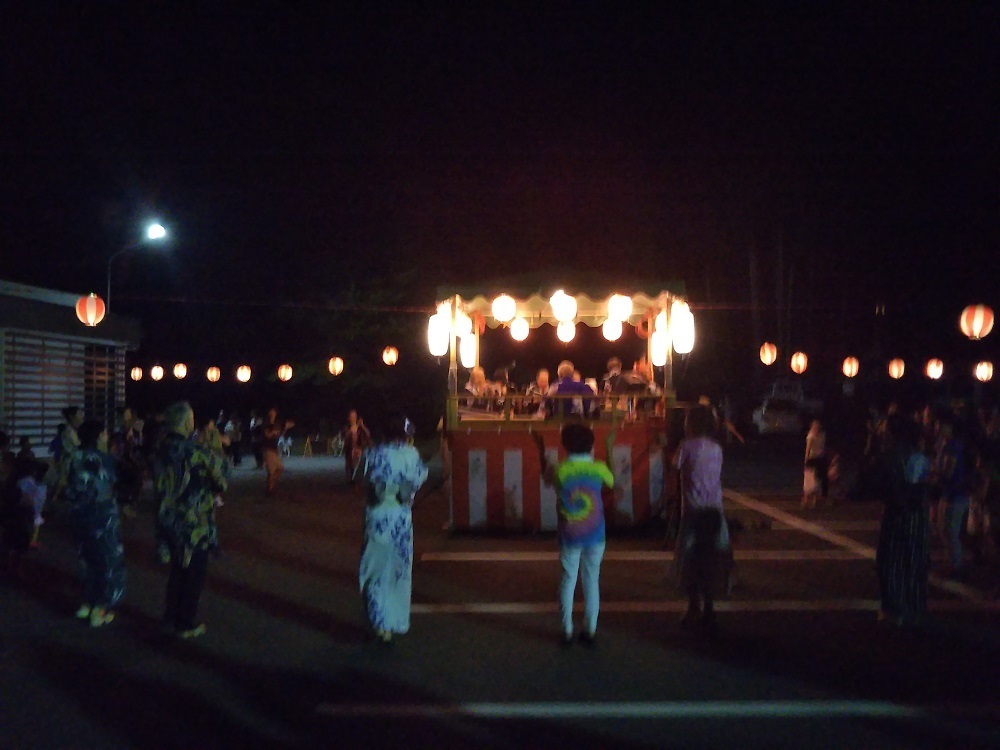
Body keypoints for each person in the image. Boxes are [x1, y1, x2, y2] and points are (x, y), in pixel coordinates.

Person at [152, 402, 228, 639]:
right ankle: (185, 623)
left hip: (168, 521)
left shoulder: (160, 451)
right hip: (193, 524)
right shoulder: (195, 452)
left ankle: (170, 618)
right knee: (193, 574)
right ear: (186, 422)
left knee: (177, 572)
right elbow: (222, 481)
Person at [534, 422, 614, 646]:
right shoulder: (598, 467)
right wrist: (608, 448)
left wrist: (541, 450)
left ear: (564, 446)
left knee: (568, 580)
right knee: (592, 581)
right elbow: (612, 480)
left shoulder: (560, 469)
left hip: (570, 534)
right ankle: (590, 630)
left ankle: (566, 629)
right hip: (596, 533)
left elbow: (546, 477)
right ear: (592, 445)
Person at [359, 413, 429, 643]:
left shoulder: (373, 453)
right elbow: (418, 479)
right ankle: (394, 620)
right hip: (400, 517)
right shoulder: (411, 455)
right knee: (398, 572)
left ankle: (379, 622)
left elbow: (365, 479)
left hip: (377, 515)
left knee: (376, 570)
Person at [63, 420, 126, 628]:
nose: (107, 437)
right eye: (105, 433)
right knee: (108, 562)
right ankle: (100, 609)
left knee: (87, 559)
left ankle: (86, 604)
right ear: (99, 435)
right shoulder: (104, 459)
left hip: (77, 516)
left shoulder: (73, 457)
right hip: (101, 516)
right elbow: (112, 482)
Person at [673, 406, 730, 633]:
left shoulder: (686, 446)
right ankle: (709, 607)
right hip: (715, 511)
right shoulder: (717, 448)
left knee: (689, 560)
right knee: (711, 560)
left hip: (694, 512)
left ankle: (693, 606)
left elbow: (674, 465)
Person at [875, 420, 931, 626]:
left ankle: (894, 608)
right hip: (918, 517)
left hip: (898, 515)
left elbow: (886, 487)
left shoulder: (892, 457)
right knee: (914, 562)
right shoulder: (919, 457)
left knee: (891, 563)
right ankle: (913, 607)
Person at [262, 409, 292, 495]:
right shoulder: (266, 424)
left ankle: (270, 486)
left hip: (274, 450)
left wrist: (285, 428)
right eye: (272, 413)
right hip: (268, 449)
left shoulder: (276, 424)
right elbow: (267, 435)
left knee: (280, 469)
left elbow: (280, 436)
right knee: (271, 472)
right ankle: (269, 489)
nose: (273, 414)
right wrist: (272, 431)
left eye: (274, 413)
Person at [802, 420, 829, 508]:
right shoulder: (811, 436)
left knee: (817, 479)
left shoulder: (822, 435)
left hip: (820, 458)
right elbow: (808, 449)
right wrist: (806, 459)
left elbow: (823, 447)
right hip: (812, 458)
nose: (816, 428)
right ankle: (806, 499)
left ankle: (815, 500)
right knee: (810, 479)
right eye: (814, 426)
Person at [342, 409, 371, 483]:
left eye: (354, 416)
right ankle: (351, 480)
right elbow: (345, 437)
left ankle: (357, 481)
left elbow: (367, 434)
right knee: (350, 466)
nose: (353, 418)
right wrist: (350, 431)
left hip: (359, 449)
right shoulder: (347, 428)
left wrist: (362, 426)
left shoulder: (360, 427)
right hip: (350, 450)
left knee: (359, 466)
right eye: (351, 416)